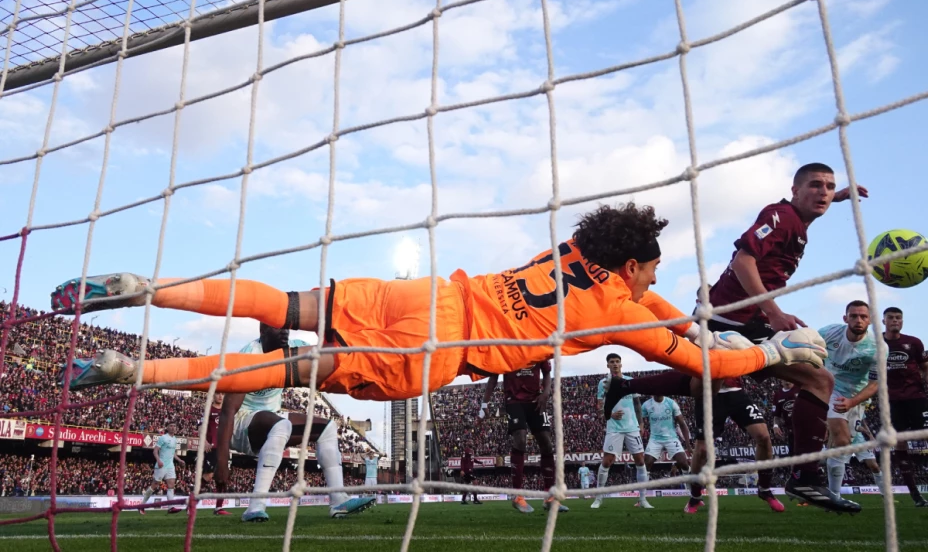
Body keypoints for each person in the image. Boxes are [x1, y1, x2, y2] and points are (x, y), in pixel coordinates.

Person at [54, 203, 828, 404]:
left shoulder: (566, 255)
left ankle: (149, 288)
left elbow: (653, 299)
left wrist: (676, 308)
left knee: (285, 300)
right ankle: (132, 373)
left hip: (429, 294)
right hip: (437, 354)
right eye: (647, 272)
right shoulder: (620, 312)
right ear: (630, 265)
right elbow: (697, 361)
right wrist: (775, 353)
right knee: (295, 368)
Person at [601, 163, 866, 513]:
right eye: (815, 185)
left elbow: (813, 204)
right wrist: (773, 312)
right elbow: (744, 260)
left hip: (747, 321)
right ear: (794, 189)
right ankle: (633, 389)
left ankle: (805, 475)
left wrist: (839, 198)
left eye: (830, 187)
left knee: (819, 379)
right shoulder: (782, 216)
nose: (824, 192)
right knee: (706, 388)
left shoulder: (798, 221)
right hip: (726, 321)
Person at [213, 324, 375, 522]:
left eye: (287, 328)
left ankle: (338, 499)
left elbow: (327, 357)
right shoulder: (250, 357)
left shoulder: (294, 350)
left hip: (271, 419)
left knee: (327, 428)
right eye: (277, 328)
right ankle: (255, 506)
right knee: (282, 425)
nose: (285, 331)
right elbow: (228, 412)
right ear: (262, 331)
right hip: (241, 423)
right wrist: (222, 461)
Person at [478, 359, 566, 513]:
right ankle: (517, 495)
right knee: (520, 439)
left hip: (536, 400)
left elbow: (546, 372)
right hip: (514, 401)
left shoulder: (539, 346)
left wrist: (545, 393)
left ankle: (550, 497)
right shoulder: (507, 348)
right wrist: (484, 403)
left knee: (547, 444)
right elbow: (493, 376)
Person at [685, 376, 782, 514]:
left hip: (736, 391)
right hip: (709, 394)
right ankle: (695, 497)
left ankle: (764, 489)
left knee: (764, 437)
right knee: (702, 449)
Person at [819, 301, 878, 506]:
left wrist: (853, 401)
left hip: (856, 396)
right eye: (853, 316)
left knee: (843, 447)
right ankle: (834, 497)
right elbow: (810, 351)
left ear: (870, 320)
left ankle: (824, 457)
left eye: (863, 316)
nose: (858, 320)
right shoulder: (829, 333)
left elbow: (875, 384)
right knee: (842, 442)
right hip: (830, 388)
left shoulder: (877, 347)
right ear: (845, 318)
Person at [881, 307, 928, 507]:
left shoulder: (914, 342)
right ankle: (915, 495)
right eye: (890, 318)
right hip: (891, 401)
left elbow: (925, 368)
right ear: (883, 321)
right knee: (899, 443)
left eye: (898, 318)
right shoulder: (876, 343)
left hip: (916, 397)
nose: (895, 321)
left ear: (902, 321)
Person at [592, 353, 651, 510]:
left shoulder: (629, 381)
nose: (615, 364)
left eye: (618, 361)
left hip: (632, 427)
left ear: (621, 364)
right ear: (608, 365)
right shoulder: (603, 383)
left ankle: (643, 499)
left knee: (640, 460)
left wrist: (641, 423)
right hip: (614, 428)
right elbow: (599, 407)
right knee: (607, 461)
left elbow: (637, 403)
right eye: (612, 362)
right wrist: (609, 414)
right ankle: (598, 498)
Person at [640, 394, 691, 480]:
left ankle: (690, 487)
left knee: (683, 463)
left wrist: (688, 445)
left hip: (671, 438)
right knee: (646, 464)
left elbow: (682, 424)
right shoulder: (646, 405)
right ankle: (643, 492)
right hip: (655, 439)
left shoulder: (671, 403)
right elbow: (640, 420)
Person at [139, 423, 184, 515]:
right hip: (161, 465)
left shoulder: (175, 439)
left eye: (174, 426)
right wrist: (159, 461)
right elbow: (155, 451)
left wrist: (179, 460)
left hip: (170, 466)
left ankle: (170, 507)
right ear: (167, 428)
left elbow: (173, 453)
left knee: (171, 485)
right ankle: (142, 505)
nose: (173, 427)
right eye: (171, 426)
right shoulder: (163, 438)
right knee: (154, 485)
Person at [197, 392, 230, 515]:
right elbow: (200, 427)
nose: (220, 396)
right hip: (212, 447)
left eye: (222, 394)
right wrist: (205, 441)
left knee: (223, 478)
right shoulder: (208, 410)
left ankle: (219, 508)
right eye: (218, 394)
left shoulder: (227, 411)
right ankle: (191, 503)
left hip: (224, 448)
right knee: (208, 476)